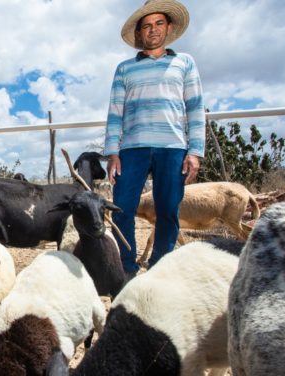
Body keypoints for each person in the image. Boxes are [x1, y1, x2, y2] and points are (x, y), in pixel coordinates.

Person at [104, 0, 205, 280]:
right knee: (121, 207)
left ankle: (161, 268)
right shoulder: (125, 69)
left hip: (172, 147)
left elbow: (195, 108)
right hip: (131, 149)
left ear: (169, 27)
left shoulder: (184, 63)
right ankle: (126, 268)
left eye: (159, 23)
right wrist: (112, 152)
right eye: (147, 25)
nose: (153, 30)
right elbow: (115, 112)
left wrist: (195, 151)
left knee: (168, 210)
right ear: (140, 33)